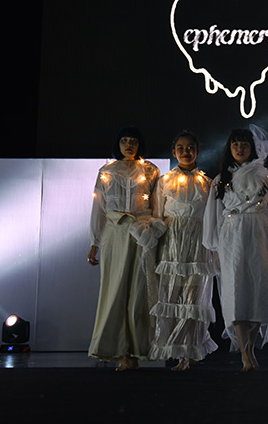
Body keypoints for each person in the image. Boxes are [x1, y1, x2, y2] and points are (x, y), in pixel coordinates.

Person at [203, 125, 268, 372]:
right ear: (229, 148)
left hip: (260, 235)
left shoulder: (266, 178)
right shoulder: (221, 180)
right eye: (235, 144)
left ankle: (250, 348)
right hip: (231, 237)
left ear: (252, 148)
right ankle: (244, 354)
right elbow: (213, 215)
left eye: (244, 144)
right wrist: (213, 248)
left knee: (259, 291)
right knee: (235, 291)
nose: (239, 148)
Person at [87, 126, 164, 371]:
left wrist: (155, 232)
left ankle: (137, 350)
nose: (129, 145)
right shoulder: (107, 171)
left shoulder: (151, 170)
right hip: (116, 233)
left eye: (133, 141)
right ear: (117, 144)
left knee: (140, 290)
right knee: (115, 288)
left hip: (142, 232)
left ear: (140, 144)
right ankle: (119, 352)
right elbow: (99, 208)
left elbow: (157, 206)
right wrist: (94, 242)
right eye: (124, 141)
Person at [148, 131, 218, 371]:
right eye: (180, 148)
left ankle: (189, 352)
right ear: (173, 151)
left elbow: (212, 216)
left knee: (194, 296)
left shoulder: (207, 183)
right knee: (171, 293)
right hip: (173, 241)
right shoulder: (165, 181)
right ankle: (176, 351)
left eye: (190, 147)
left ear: (198, 150)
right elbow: (157, 214)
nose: (185, 152)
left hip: (198, 241)